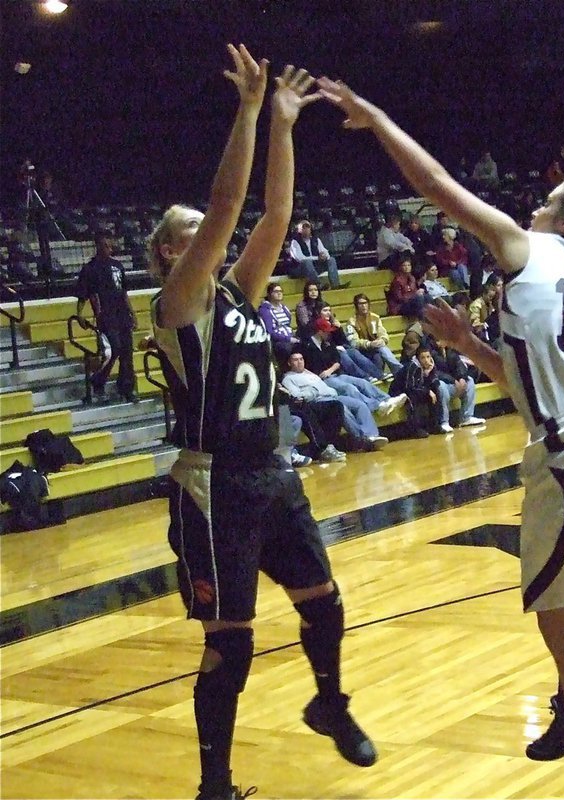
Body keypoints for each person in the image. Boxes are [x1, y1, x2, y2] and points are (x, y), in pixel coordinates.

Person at [319, 75, 564, 800]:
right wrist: (466, 343)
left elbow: (434, 184)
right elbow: (532, 381)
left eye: (552, 196)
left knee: (563, 624)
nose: (540, 194)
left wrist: (374, 118)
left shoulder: (526, 247)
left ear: (561, 219)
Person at [147, 51, 377, 800]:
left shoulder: (240, 294)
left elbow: (273, 213)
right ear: (169, 254)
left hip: (270, 472)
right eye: (190, 236)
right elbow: (226, 211)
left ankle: (329, 703)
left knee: (325, 602)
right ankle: (215, 786)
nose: (208, 240)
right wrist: (246, 110)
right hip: (213, 486)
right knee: (231, 646)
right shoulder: (177, 308)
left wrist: (282, 124)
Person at [282, 350, 389, 450]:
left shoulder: (310, 374)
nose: (300, 362)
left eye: (301, 359)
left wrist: (330, 391)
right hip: (320, 402)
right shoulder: (288, 379)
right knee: (342, 408)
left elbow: (325, 387)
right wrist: (314, 391)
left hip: (333, 396)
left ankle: (372, 435)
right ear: (289, 363)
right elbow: (297, 396)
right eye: (295, 360)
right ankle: (362, 439)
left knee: (360, 405)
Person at [76, 232, 137, 402]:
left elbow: (124, 292)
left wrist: (132, 312)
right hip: (106, 317)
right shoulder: (90, 269)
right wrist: (80, 314)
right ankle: (98, 379)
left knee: (127, 353)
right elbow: (83, 294)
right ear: (98, 247)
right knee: (114, 349)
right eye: (105, 245)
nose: (109, 248)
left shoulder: (118, 266)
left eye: (110, 245)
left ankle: (126, 388)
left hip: (122, 314)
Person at [346, 294, 402, 377]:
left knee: (381, 348)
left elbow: (382, 332)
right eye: (360, 304)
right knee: (378, 350)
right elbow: (353, 342)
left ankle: (399, 371)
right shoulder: (351, 322)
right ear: (356, 306)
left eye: (365, 303)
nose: (364, 306)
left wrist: (382, 340)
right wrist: (369, 344)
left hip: (376, 348)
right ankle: (399, 371)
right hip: (362, 351)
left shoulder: (375, 317)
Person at [287, 219, 342, 288]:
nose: (306, 229)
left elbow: (324, 251)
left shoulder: (316, 240)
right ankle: (317, 286)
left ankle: (336, 285)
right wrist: (317, 258)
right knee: (307, 262)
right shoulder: (295, 242)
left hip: (313, 268)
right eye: (303, 227)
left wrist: (324, 256)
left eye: (308, 227)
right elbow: (300, 258)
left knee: (331, 260)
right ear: (299, 230)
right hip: (298, 269)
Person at [259, 281, 299, 363]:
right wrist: (288, 339)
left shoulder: (284, 308)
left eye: (280, 291)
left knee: (306, 344)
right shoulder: (265, 310)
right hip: (277, 341)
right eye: (276, 291)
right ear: (269, 294)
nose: (279, 293)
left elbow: (288, 325)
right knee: (287, 348)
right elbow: (270, 331)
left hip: (289, 336)